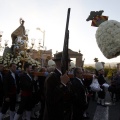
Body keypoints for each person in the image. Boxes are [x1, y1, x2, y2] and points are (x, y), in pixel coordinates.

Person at [43, 52, 73, 120]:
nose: (69, 64)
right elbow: (50, 99)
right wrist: (62, 84)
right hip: (54, 116)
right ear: (61, 62)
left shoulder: (63, 75)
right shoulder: (52, 77)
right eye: (68, 62)